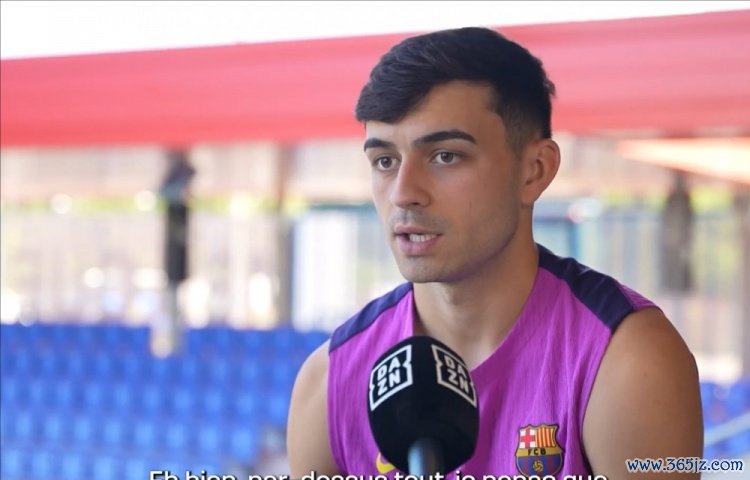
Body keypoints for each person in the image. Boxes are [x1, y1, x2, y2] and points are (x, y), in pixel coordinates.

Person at [287, 27, 702, 479]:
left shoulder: (629, 359)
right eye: (385, 161)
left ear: (534, 170)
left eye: (445, 156)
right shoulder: (330, 382)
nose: (403, 193)